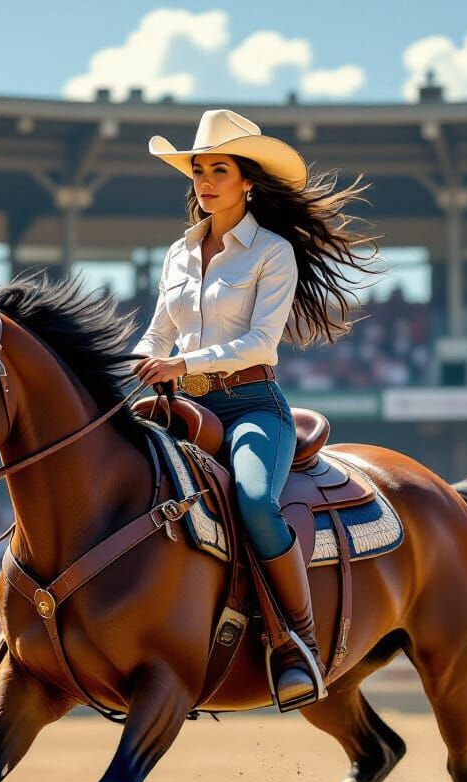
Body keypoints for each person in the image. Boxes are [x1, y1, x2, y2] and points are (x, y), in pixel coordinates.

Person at [132, 109, 380, 710]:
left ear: (247, 180)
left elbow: (260, 344)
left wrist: (181, 366)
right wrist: (129, 366)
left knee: (253, 502)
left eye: (220, 169)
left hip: (251, 405)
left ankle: (295, 642)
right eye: (198, 170)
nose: (206, 180)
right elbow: (157, 332)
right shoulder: (178, 252)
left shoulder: (272, 252)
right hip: (180, 405)